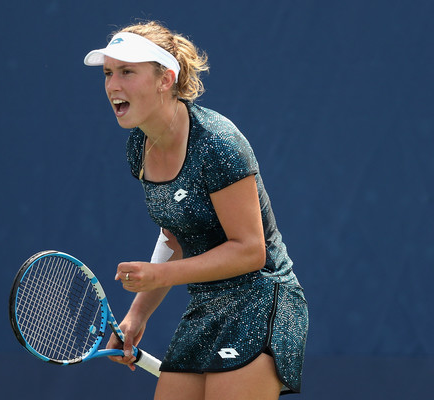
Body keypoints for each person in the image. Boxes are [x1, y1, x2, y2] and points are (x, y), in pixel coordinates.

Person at [83, 21, 308, 399]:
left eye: (127, 72)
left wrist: (159, 275)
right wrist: (138, 314)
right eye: (108, 73)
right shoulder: (139, 148)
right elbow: (174, 236)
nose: (112, 85)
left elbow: (251, 251)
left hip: (261, 299)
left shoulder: (219, 144)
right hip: (206, 305)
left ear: (165, 79)